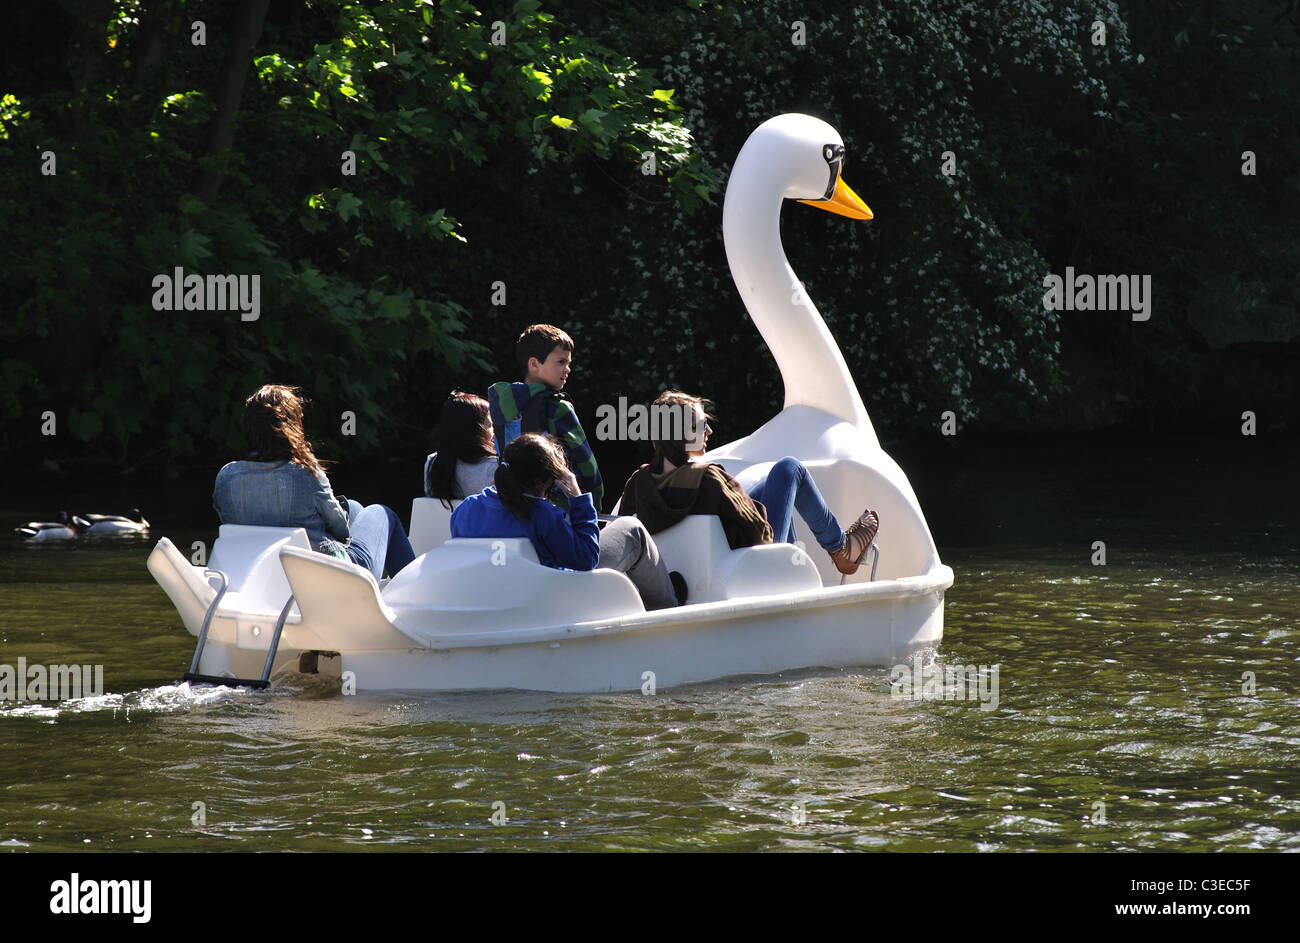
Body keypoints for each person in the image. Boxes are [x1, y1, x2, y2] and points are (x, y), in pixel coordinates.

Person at [619, 390, 880, 576]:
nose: (709, 431)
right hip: (752, 566)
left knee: (773, 483)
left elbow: (625, 528)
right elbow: (760, 534)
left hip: (687, 574)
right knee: (789, 469)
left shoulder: (639, 482)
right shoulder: (710, 478)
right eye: (701, 426)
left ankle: (836, 550)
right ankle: (841, 548)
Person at [450, 433, 685, 609]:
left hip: (496, 598)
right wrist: (578, 498)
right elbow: (585, 560)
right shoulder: (542, 515)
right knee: (632, 529)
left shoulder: (466, 509)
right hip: (550, 597)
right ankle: (666, 610)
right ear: (544, 481)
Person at [213, 385, 415, 580]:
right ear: (291, 428)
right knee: (383, 513)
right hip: (331, 576)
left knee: (353, 507)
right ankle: (411, 591)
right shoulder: (305, 474)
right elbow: (341, 530)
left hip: (263, 576)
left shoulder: (226, 477)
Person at [487, 324, 604, 510]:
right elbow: (586, 463)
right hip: (557, 507)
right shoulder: (558, 408)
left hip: (511, 503)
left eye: (569, 363)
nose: (568, 369)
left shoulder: (500, 406)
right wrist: (592, 504)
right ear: (534, 364)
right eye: (561, 362)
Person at [424, 391, 498, 507]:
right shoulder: (494, 468)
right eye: (489, 425)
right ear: (475, 431)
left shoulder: (432, 463)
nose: (494, 431)